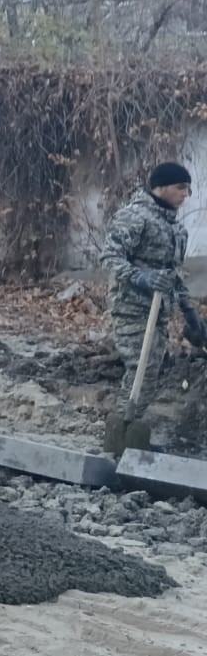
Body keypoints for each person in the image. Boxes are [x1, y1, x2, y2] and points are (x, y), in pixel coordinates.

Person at [99, 162, 205, 456]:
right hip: (132, 308)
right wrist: (141, 277)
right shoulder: (135, 216)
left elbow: (174, 275)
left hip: (159, 311)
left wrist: (190, 313)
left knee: (153, 370)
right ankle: (120, 439)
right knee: (141, 369)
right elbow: (110, 257)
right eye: (181, 187)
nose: (186, 194)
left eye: (188, 189)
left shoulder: (176, 228)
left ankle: (130, 434)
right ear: (161, 187)